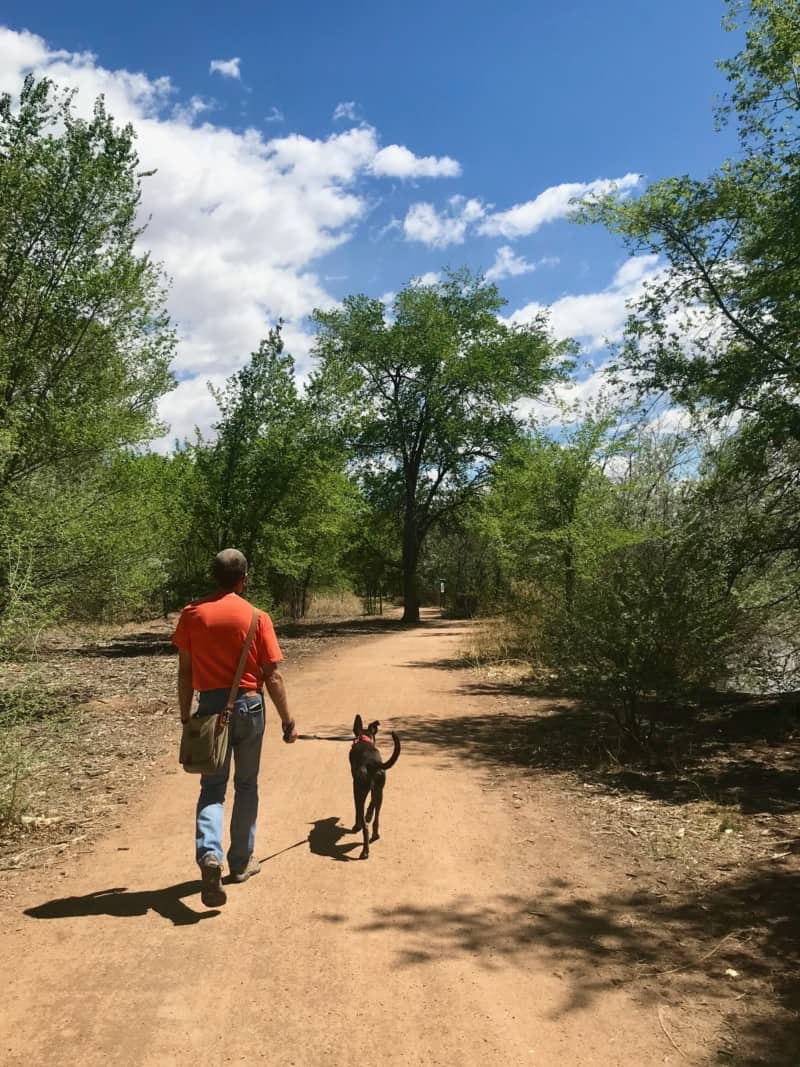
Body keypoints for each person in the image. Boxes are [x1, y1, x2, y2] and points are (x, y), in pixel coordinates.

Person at [172, 548, 297, 908]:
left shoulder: (192, 615)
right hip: (250, 706)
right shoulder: (258, 618)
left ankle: (210, 856)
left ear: (215, 577)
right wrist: (287, 720)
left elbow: (184, 673)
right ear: (244, 579)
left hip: (209, 709)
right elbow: (272, 676)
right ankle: (240, 862)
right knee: (246, 783)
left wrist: (185, 717)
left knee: (212, 787)